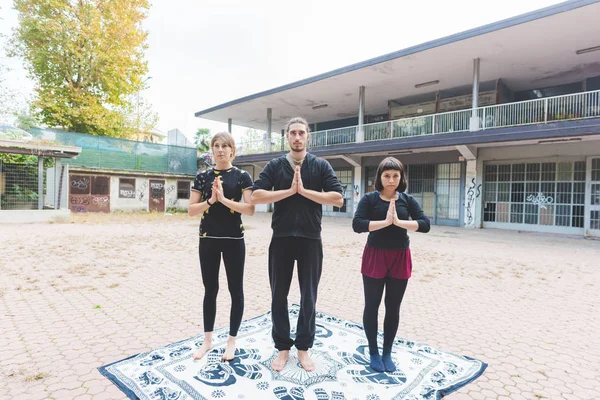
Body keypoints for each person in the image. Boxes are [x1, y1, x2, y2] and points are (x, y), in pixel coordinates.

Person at [251, 117, 343, 372]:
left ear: (308, 137)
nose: (297, 137)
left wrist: (304, 192)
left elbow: (337, 198)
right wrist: (288, 192)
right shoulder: (276, 165)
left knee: (309, 297)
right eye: (293, 133)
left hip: (310, 239)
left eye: (302, 133)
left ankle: (303, 349)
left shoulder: (320, 166)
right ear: (287, 137)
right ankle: (283, 348)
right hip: (280, 238)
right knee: (278, 296)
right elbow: (256, 195)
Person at [352, 157, 430, 373]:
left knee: (393, 307)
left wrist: (399, 222)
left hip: (400, 257)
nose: (391, 180)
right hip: (375, 256)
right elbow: (357, 225)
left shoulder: (407, 200)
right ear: (380, 177)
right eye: (387, 175)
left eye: (396, 175)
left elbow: (425, 225)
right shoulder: (369, 199)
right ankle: (374, 352)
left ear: (401, 177)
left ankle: (387, 352)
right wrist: (385, 223)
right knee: (372, 305)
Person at [188, 132, 255, 361]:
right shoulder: (203, 177)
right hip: (208, 239)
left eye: (225, 146)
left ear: (232, 150)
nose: (220, 150)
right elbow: (191, 210)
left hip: (234, 240)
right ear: (212, 150)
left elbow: (250, 209)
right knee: (210, 290)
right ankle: (207, 340)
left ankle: (231, 341)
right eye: (216, 145)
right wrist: (210, 201)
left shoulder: (242, 176)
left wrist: (224, 200)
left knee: (235, 290)